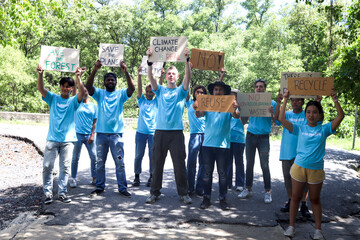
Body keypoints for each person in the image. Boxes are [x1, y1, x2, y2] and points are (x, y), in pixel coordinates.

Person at [280, 89, 344, 239]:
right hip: (298, 168)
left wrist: (335, 99)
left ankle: (318, 230)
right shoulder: (299, 128)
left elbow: (341, 116)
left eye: (314, 112)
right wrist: (285, 99)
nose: (311, 115)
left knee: (315, 199)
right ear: (305, 114)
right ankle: (291, 227)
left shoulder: (324, 129)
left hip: (316, 170)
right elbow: (281, 119)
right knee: (295, 197)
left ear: (320, 115)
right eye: (308, 112)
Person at [145, 47, 192, 204]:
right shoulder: (160, 91)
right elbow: (151, 77)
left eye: (174, 74)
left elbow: (188, 78)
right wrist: (150, 61)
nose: (171, 75)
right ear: (165, 76)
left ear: (177, 77)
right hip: (160, 133)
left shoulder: (181, 92)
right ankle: (154, 193)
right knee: (157, 164)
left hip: (176, 133)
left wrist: (186, 61)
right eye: (169, 74)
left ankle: (183, 194)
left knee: (179, 165)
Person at [37, 64, 86, 204]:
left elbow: (81, 93)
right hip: (52, 139)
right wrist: (40, 74)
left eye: (68, 86)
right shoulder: (53, 98)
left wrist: (78, 78)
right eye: (63, 86)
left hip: (68, 141)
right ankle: (47, 193)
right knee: (47, 167)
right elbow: (41, 89)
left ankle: (62, 192)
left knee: (64, 167)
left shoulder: (73, 101)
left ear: (71, 89)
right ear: (60, 87)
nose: (65, 88)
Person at [86, 59, 135, 197]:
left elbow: (132, 89)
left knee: (120, 163)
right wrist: (95, 69)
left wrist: (125, 72)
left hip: (116, 135)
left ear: (116, 82)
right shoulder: (100, 94)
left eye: (112, 80)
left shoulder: (120, 94)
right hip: (101, 134)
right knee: (100, 163)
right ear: (104, 82)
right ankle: (100, 187)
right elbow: (88, 86)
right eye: (107, 79)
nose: (110, 81)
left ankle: (122, 188)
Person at [274, 90, 323, 218]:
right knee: (287, 178)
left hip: (302, 155)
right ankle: (291, 200)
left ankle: (304, 203)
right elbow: (277, 119)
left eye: (297, 100)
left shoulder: (308, 114)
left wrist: (318, 103)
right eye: (292, 100)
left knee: (305, 181)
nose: (294, 102)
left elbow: (318, 121)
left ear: (302, 102)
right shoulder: (287, 114)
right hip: (286, 152)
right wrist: (280, 101)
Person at [194, 81, 240, 210]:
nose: (217, 92)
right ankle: (206, 198)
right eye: (215, 90)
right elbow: (199, 114)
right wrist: (196, 107)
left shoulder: (228, 104)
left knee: (223, 174)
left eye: (220, 90)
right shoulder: (208, 103)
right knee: (206, 174)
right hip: (207, 145)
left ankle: (223, 199)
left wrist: (235, 108)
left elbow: (236, 117)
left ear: (224, 92)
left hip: (223, 146)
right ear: (213, 92)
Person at [238, 79, 276, 203]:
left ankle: (268, 192)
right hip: (250, 136)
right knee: (249, 164)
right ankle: (247, 188)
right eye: (257, 87)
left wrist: (271, 113)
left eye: (261, 87)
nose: (259, 89)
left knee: (264, 165)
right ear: (254, 89)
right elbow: (243, 121)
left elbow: (277, 120)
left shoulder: (272, 103)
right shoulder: (249, 102)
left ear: (265, 88)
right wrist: (241, 110)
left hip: (264, 137)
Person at [132, 66, 160, 187]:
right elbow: (138, 89)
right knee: (138, 155)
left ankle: (151, 176)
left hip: (153, 133)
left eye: (151, 91)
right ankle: (137, 176)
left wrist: (162, 76)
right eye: (147, 91)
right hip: (141, 133)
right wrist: (139, 75)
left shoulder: (157, 101)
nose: (149, 93)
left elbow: (159, 88)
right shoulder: (141, 100)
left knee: (152, 156)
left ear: (154, 92)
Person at [69, 87, 98, 188]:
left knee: (94, 156)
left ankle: (94, 178)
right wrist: (77, 77)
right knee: (75, 157)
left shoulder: (93, 106)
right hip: (77, 134)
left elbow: (95, 121)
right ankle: (73, 178)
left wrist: (92, 134)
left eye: (86, 91)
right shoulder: (76, 103)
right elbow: (73, 94)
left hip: (89, 135)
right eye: (83, 91)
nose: (85, 93)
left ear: (88, 93)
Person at [185, 85, 207, 196]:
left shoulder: (208, 105)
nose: (200, 94)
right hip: (194, 136)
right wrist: (188, 69)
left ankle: (200, 188)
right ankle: (189, 188)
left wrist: (221, 75)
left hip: (206, 136)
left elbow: (216, 96)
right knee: (191, 163)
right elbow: (186, 86)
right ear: (194, 93)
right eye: (198, 92)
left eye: (202, 92)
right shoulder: (189, 103)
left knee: (203, 163)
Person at [227, 89, 246, 192]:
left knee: (239, 162)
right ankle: (228, 183)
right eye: (231, 96)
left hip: (239, 139)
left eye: (234, 96)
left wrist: (240, 108)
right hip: (227, 138)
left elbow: (244, 121)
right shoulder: (226, 107)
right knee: (228, 162)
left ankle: (240, 183)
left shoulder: (242, 108)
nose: (232, 97)